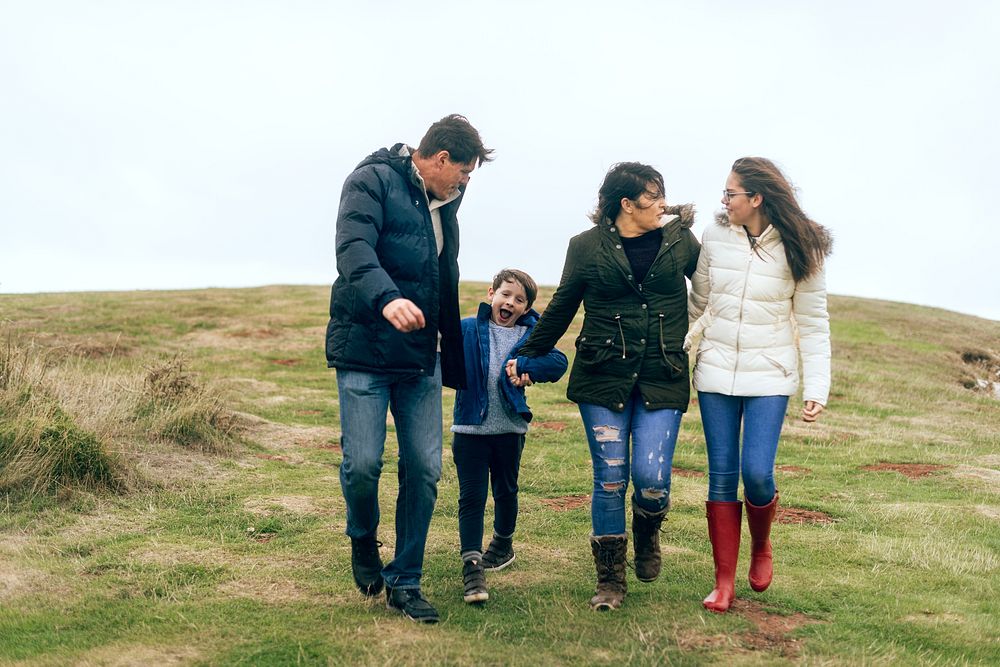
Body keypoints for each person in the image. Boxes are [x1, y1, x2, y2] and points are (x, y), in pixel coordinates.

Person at [326, 114, 493, 623]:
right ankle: (362, 540)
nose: (465, 183)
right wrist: (387, 299)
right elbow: (353, 251)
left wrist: (452, 348)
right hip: (364, 351)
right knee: (363, 465)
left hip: (422, 359)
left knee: (424, 469)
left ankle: (406, 580)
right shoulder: (370, 180)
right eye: (463, 172)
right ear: (440, 159)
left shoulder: (447, 204)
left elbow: (445, 273)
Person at [516, 162, 699, 610]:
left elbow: (717, 290)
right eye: (653, 197)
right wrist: (523, 354)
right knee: (611, 477)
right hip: (603, 375)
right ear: (626, 204)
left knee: (652, 480)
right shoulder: (586, 247)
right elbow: (562, 306)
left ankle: (648, 528)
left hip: (663, 374)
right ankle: (610, 580)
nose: (661, 204)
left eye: (662, 196)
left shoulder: (680, 242)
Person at [686, 156, 832, 613]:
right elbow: (699, 303)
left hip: (770, 373)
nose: (724, 201)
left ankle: (762, 543)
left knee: (757, 473)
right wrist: (686, 352)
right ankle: (724, 583)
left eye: (731, 193)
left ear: (756, 198)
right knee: (722, 476)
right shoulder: (713, 237)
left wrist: (816, 387)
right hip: (715, 372)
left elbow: (812, 322)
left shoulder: (801, 246)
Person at [450, 269, 568, 604]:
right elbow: (442, 350)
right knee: (471, 496)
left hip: (510, 430)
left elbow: (559, 362)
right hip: (469, 428)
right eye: (505, 295)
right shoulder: (470, 327)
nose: (510, 303)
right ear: (491, 294)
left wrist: (527, 368)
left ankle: (502, 544)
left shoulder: (532, 335)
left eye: (519, 300)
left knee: (506, 490)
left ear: (528, 308)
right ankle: (472, 565)